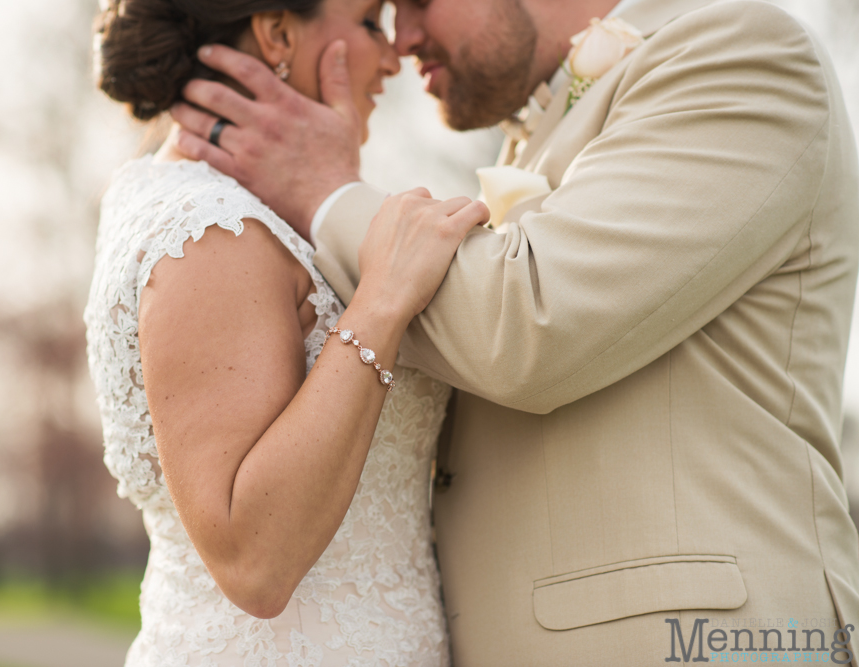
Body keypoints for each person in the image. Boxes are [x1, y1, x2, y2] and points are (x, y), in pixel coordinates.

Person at [166, 0, 859, 664]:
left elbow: (528, 323)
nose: (401, 39)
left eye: (417, 0)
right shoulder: (534, 133)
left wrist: (325, 191)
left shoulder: (743, 57)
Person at [84, 1, 491, 665]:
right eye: (367, 22)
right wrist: (382, 303)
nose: (392, 56)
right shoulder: (211, 229)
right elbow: (253, 560)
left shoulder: (256, 217)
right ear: (277, 32)